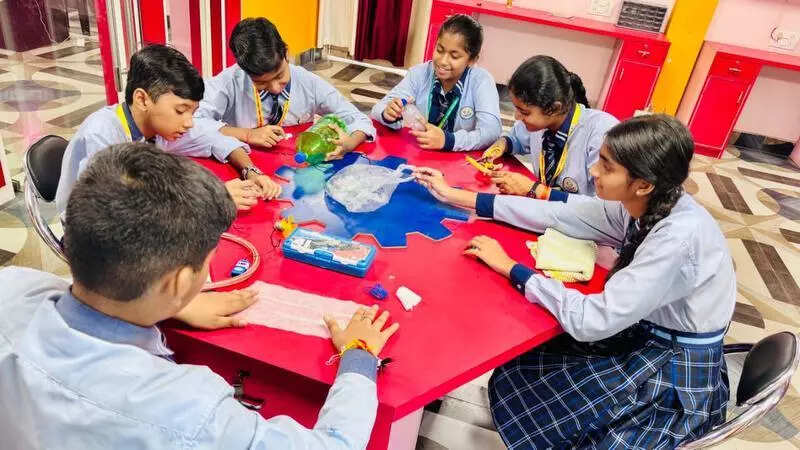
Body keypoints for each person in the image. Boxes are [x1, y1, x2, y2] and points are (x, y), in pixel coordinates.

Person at [0, 143, 399, 449]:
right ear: (176, 281)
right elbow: (335, 445)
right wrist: (360, 353)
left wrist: (167, 307)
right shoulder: (190, 413)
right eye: (208, 261)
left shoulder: (12, 287)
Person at [415, 114, 734, 448]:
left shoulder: (677, 239)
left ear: (643, 184)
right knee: (530, 367)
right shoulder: (645, 203)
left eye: (607, 167)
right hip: (644, 330)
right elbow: (560, 215)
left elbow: (592, 320)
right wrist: (456, 195)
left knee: (562, 396)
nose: (594, 171)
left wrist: (515, 270)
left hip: (669, 364)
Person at [55, 44, 279, 215]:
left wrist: (251, 172)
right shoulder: (103, 135)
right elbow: (117, 212)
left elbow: (216, 139)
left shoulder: (161, 128)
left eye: (193, 112)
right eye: (181, 110)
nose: (189, 122)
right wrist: (211, 196)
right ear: (142, 99)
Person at [192, 17, 376, 161]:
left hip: (295, 165)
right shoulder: (228, 82)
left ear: (286, 53)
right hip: (245, 164)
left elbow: (357, 118)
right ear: (244, 70)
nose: (274, 89)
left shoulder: (308, 82)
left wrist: (350, 143)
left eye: (280, 76)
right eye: (261, 83)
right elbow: (193, 123)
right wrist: (246, 134)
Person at [483, 55, 618, 201]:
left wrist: (534, 190)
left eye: (524, 112)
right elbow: (516, 138)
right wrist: (501, 145)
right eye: (516, 109)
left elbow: (605, 209)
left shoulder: (601, 132)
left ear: (554, 108)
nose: (517, 117)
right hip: (549, 213)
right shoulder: (543, 123)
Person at [371, 14, 501, 151]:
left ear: (472, 60)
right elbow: (377, 109)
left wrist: (449, 140)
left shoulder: (481, 81)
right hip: (421, 155)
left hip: (459, 161)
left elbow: (491, 132)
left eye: (454, 56)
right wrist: (388, 114)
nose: (443, 61)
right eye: (439, 50)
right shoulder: (419, 73)